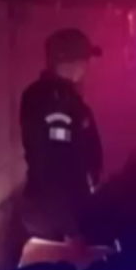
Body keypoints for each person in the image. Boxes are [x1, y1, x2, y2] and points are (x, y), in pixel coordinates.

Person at [19, 28, 105, 249]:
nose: (87, 67)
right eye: (84, 60)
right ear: (70, 63)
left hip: (62, 215)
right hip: (57, 221)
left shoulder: (61, 96)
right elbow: (52, 171)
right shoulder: (55, 102)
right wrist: (69, 229)